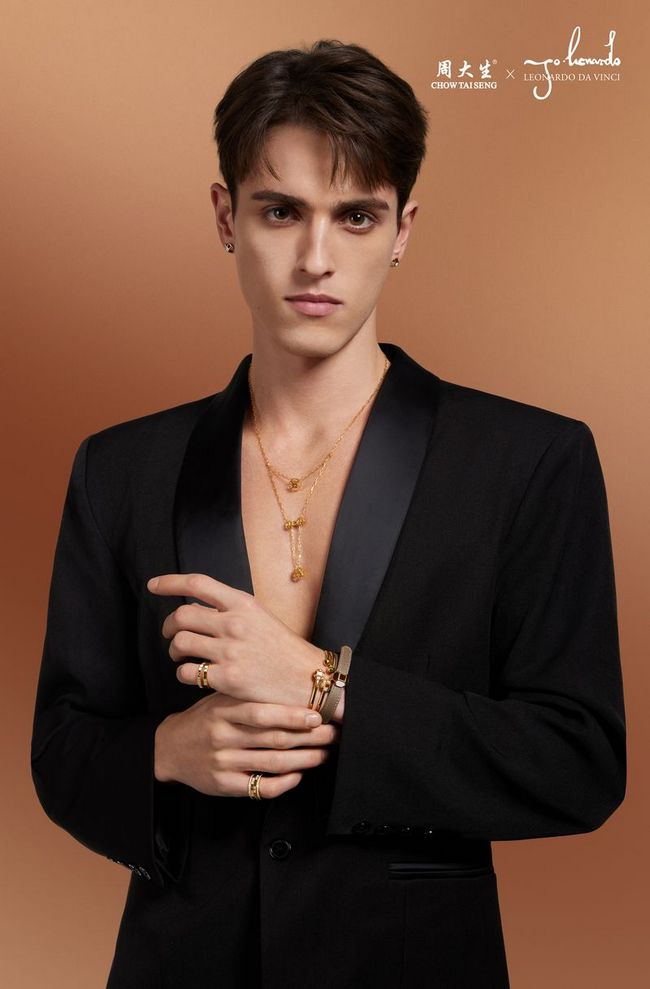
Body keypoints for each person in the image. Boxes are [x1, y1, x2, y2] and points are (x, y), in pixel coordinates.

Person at [31, 39, 626, 989]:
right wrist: (167, 751)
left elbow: (578, 761)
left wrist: (325, 684)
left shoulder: (530, 462)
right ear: (225, 216)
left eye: (356, 216)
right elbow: (62, 748)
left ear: (402, 228)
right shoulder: (120, 468)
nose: (317, 259)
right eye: (281, 211)